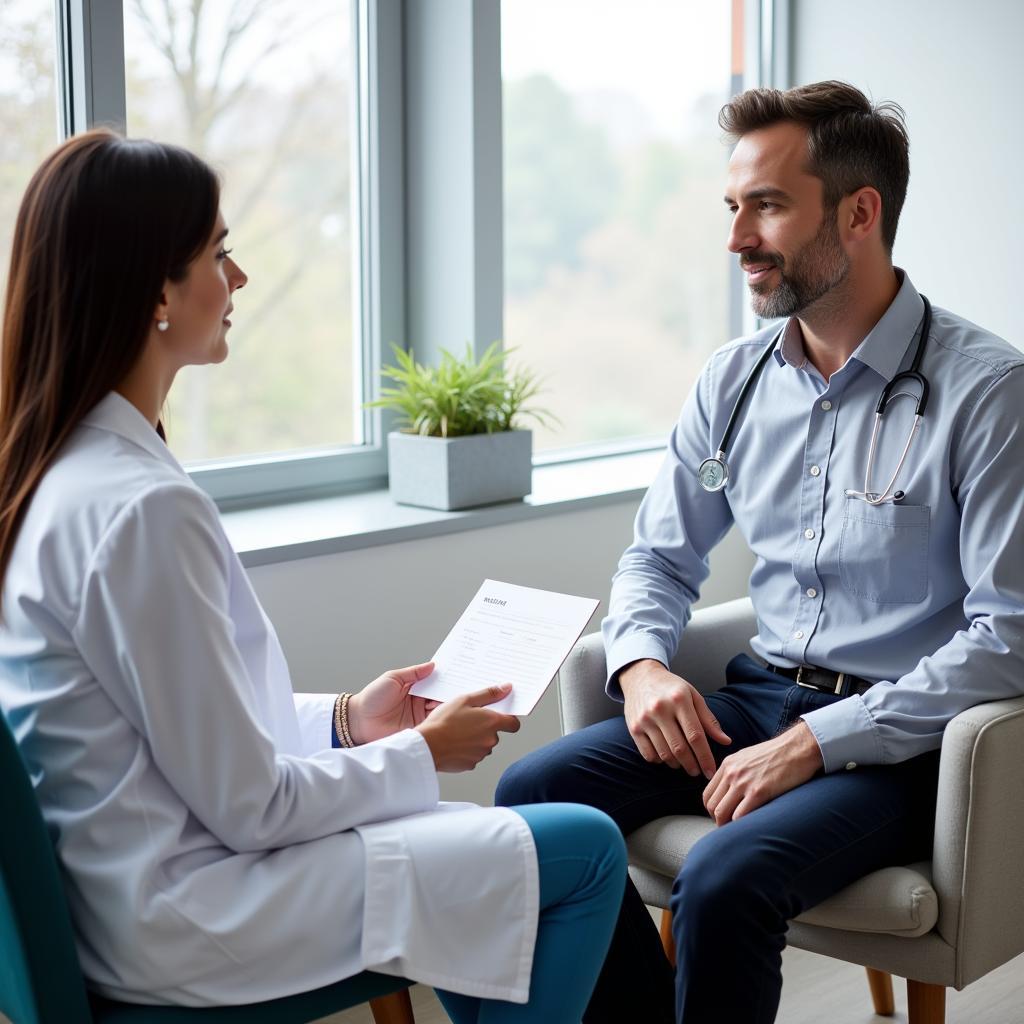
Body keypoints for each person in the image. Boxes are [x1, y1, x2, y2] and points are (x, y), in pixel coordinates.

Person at [0, 128, 627, 1022]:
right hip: (189, 914)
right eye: (218, 253)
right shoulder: (140, 510)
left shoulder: (59, 476)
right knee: (587, 851)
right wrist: (420, 752)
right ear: (157, 295)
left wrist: (345, 722)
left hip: (136, 884)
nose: (239, 279)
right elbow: (249, 806)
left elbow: (182, 731)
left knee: (485, 860)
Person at [496, 79, 1024, 1024]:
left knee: (727, 875)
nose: (737, 237)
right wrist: (645, 664)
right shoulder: (734, 381)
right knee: (532, 797)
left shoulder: (987, 394)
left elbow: (1008, 635)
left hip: (900, 741)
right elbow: (658, 560)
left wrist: (820, 743)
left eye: (768, 206)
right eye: (733, 206)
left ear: (859, 213)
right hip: (756, 698)